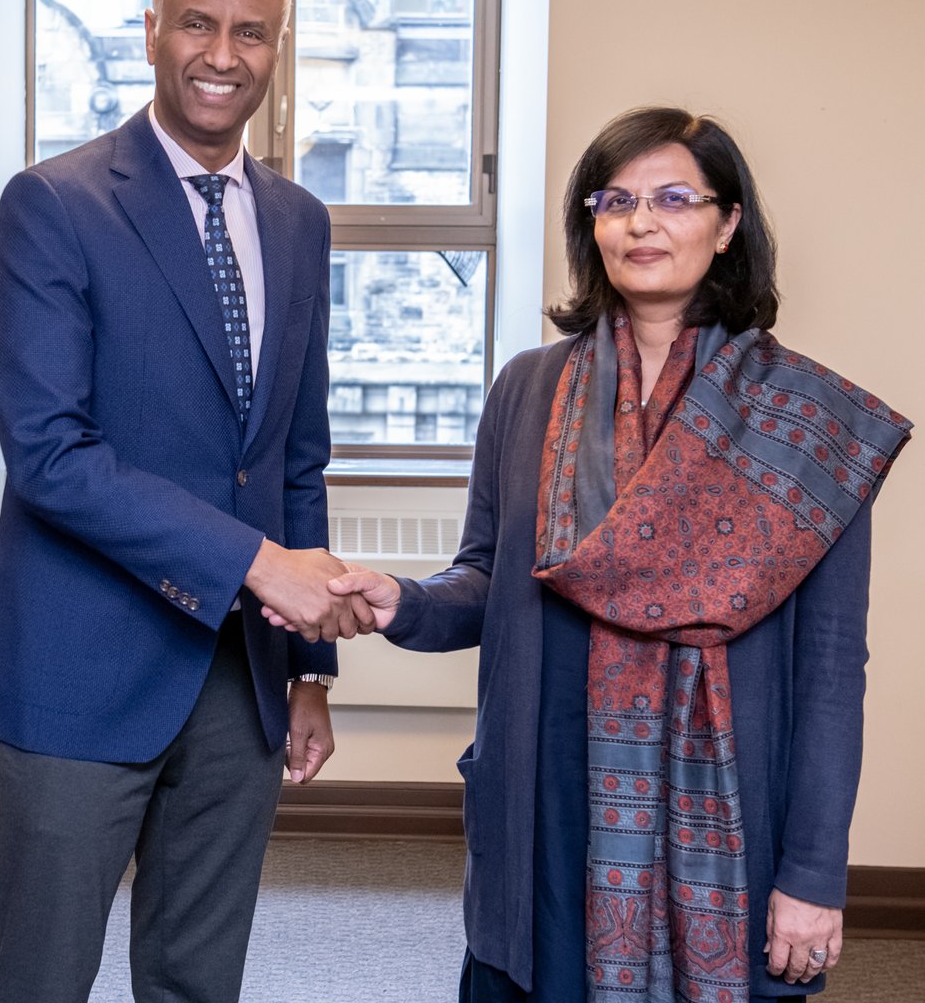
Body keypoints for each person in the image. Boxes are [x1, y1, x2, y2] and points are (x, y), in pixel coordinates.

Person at [321, 108, 912, 1003]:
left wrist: (814, 873)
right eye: (615, 199)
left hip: (727, 821)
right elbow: (487, 579)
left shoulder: (806, 425)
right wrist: (403, 601)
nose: (641, 222)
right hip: (546, 800)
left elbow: (832, 672)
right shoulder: (529, 387)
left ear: (727, 226)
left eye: (675, 198)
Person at [0, 0, 369, 1003]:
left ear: (277, 51)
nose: (221, 53)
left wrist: (307, 667)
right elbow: (49, 456)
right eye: (196, 21)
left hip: (240, 675)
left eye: (250, 31)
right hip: (75, 665)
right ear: (150, 32)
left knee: (196, 976)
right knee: (42, 980)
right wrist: (255, 566)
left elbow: (294, 456)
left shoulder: (299, 222)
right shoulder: (54, 204)